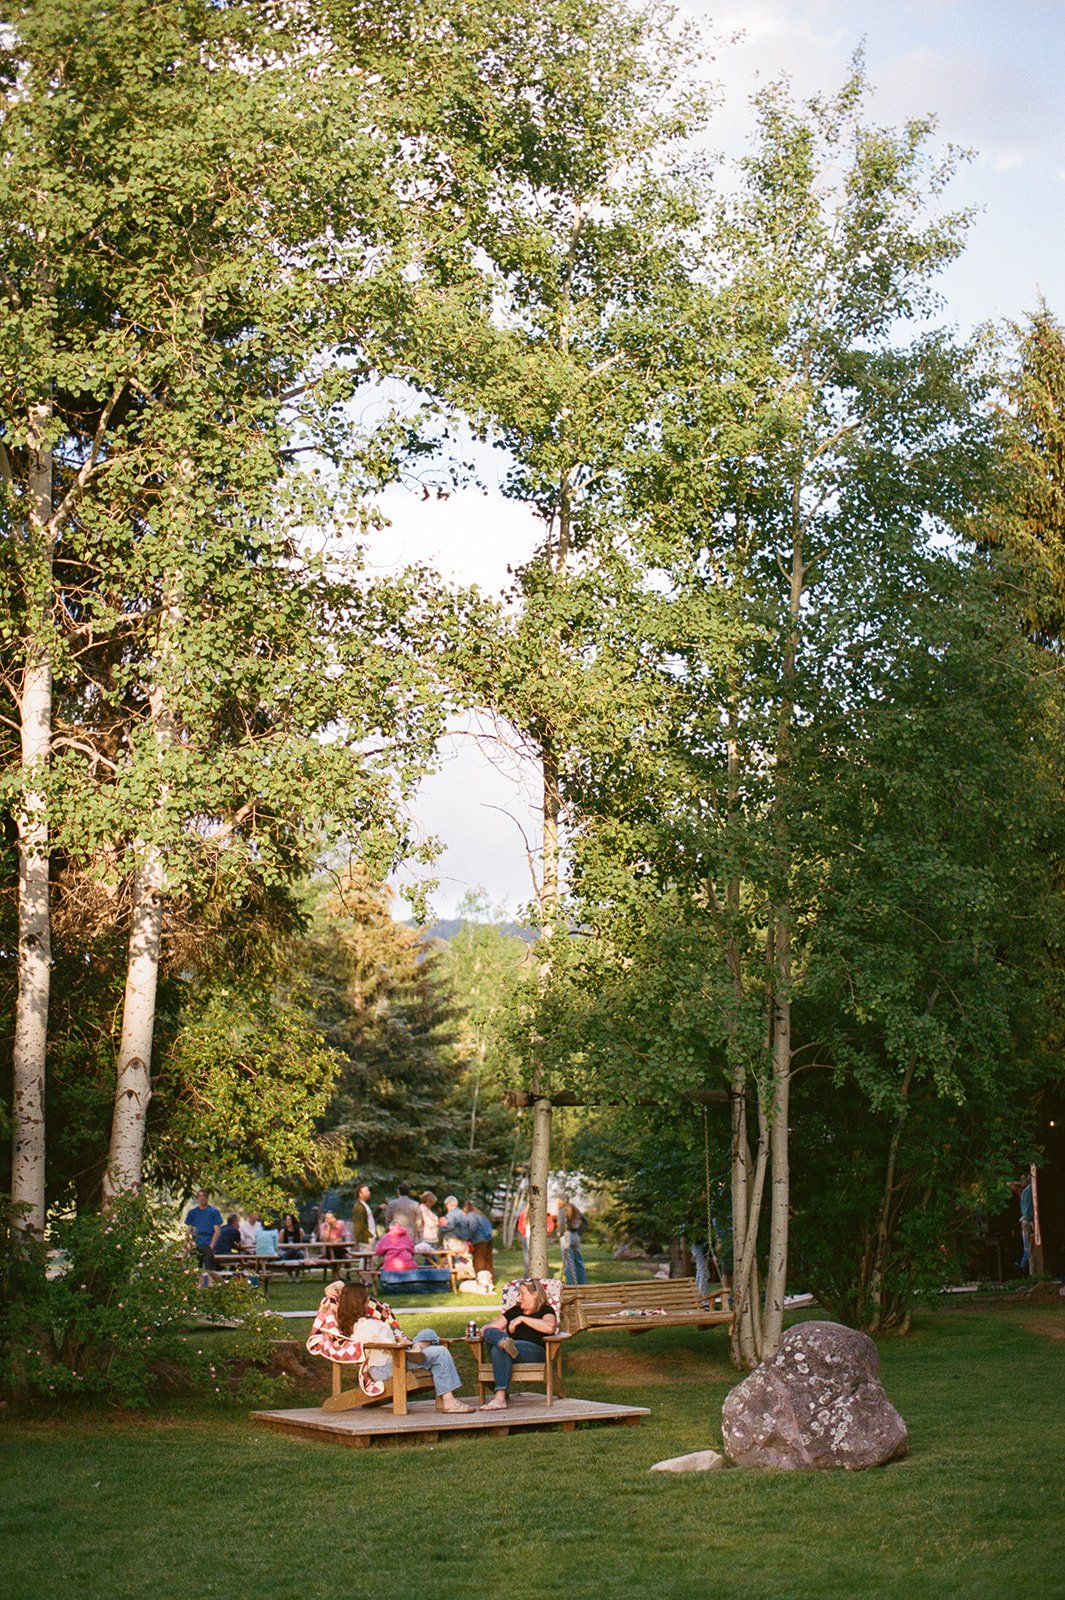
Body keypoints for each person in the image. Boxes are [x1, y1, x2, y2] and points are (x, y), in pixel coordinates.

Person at [307, 1280, 471, 1412]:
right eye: (366, 1299)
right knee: (440, 1352)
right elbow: (390, 1347)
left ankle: (417, 1348)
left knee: (428, 1332)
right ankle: (449, 1401)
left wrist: (334, 1286)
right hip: (385, 1367)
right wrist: (403, 1343)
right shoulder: (367, 1326)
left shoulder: (356, 1323)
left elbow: (339, 1286)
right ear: (362, 1303)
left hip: (391, 1359)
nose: (369, 1302)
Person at [476, 1279, 558, 1411]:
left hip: (533, 1352)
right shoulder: (515, 1310)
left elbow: (550, 1328)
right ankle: (504, 1344)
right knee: (496, 1340)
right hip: (511, 1350)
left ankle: (500, 1398)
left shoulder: (545, 1310)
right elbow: (490, 1328)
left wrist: (522, 1319)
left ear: (535, 1295)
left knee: (502, 1347)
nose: (519, 1298)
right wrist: (480, 1330)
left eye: (522, 1294)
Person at [184, 1189, 223, 1280]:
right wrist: (186, 1245)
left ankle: (220, 1283)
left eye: (204, 1196)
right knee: (196, 1270)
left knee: (210, 1271)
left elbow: (217, 1231)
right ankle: (199, 1290)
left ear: (207, 1198)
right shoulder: (192, 1213)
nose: (202, 1198)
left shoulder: (213, 1212)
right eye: (200, 1196)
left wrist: (211, 1245)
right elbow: (189, 1230)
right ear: (197, 1198)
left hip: (207, 1244)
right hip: (195, 1244)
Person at [553, 1196, 587, 1286]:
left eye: (557, 1200)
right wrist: (578, 1232)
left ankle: (573, 1285)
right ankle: (582, 1284)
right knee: (579, 1260)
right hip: (575, 1236)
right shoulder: (575, 1208)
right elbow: (585, 1221)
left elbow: (561, 1222)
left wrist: (559, 1233)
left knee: (568, 1263)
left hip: (566, 1236)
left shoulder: (562, 1209)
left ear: (561, 1200)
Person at [515, 1203, 555, 1272]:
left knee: (530, 1260)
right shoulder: (526, 1214)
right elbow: (550, 1226)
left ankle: (532, 1278)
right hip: (531, 1238)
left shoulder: (525, 1213)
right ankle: (533, 1277)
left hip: (531, 1238)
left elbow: (520, 1228)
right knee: (534, 1260)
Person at [463, 1199, 494, 1281]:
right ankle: (489, 1279)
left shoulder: (470, 1215)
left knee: (479, 1261)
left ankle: (480, 1279)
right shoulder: (481, 1215)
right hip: (488, 1239)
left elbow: (472, 1228)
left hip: (479, 1240)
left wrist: (467, 1238)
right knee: (487, 1261)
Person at [414, 1191, 441, 1257]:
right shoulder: (422, 1209)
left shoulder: (427, 1209)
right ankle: (431, 1266)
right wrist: (437, 1222)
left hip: (432, 1235)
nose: (432, 1204)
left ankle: (433, 1266)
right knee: (430, 1255)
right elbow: (429, 1222)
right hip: (427, 1235)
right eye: (431, 1202)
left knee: (432, 1254)